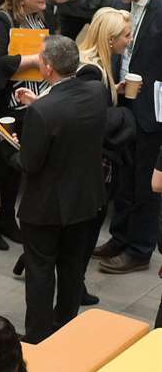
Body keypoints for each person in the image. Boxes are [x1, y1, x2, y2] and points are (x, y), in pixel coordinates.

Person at [14, 36, 108, 343]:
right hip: (84, 200)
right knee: (71, 270)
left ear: (47, 67)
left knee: (40, 272)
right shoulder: (96, 92)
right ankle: (66, 329)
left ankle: (38, 335)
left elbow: (29, 162)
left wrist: (13, 148)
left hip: (45, 206)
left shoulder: (42, 113)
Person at [0, 0, 52, 250]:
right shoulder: (0, 20)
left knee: (17, 167)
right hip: (6, 105)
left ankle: (7, 218)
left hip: (32, 104)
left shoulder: (41, 18)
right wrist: (31, 59)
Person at [98, 0, 159, 275]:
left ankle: (140, 248)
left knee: (145, 183)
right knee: (121, 176)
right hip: (120, 103)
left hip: (150, 110)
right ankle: (119, 237)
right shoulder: (116, 5)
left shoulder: (161, 12)